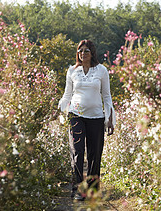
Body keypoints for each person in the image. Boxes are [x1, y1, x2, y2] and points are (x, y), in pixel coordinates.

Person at [58, 39, 116, 201]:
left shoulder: (101, 71)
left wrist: (110, 118)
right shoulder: (72, 71)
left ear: (92, 53)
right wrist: (59, 111)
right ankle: (78, 189)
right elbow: (67, 95)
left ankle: (92, 189)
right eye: (80, 51)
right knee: (77, 152)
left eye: (86, 51)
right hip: (76, 115)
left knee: (94, 154)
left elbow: (106, 96)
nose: (83, 54)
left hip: (97, 116)